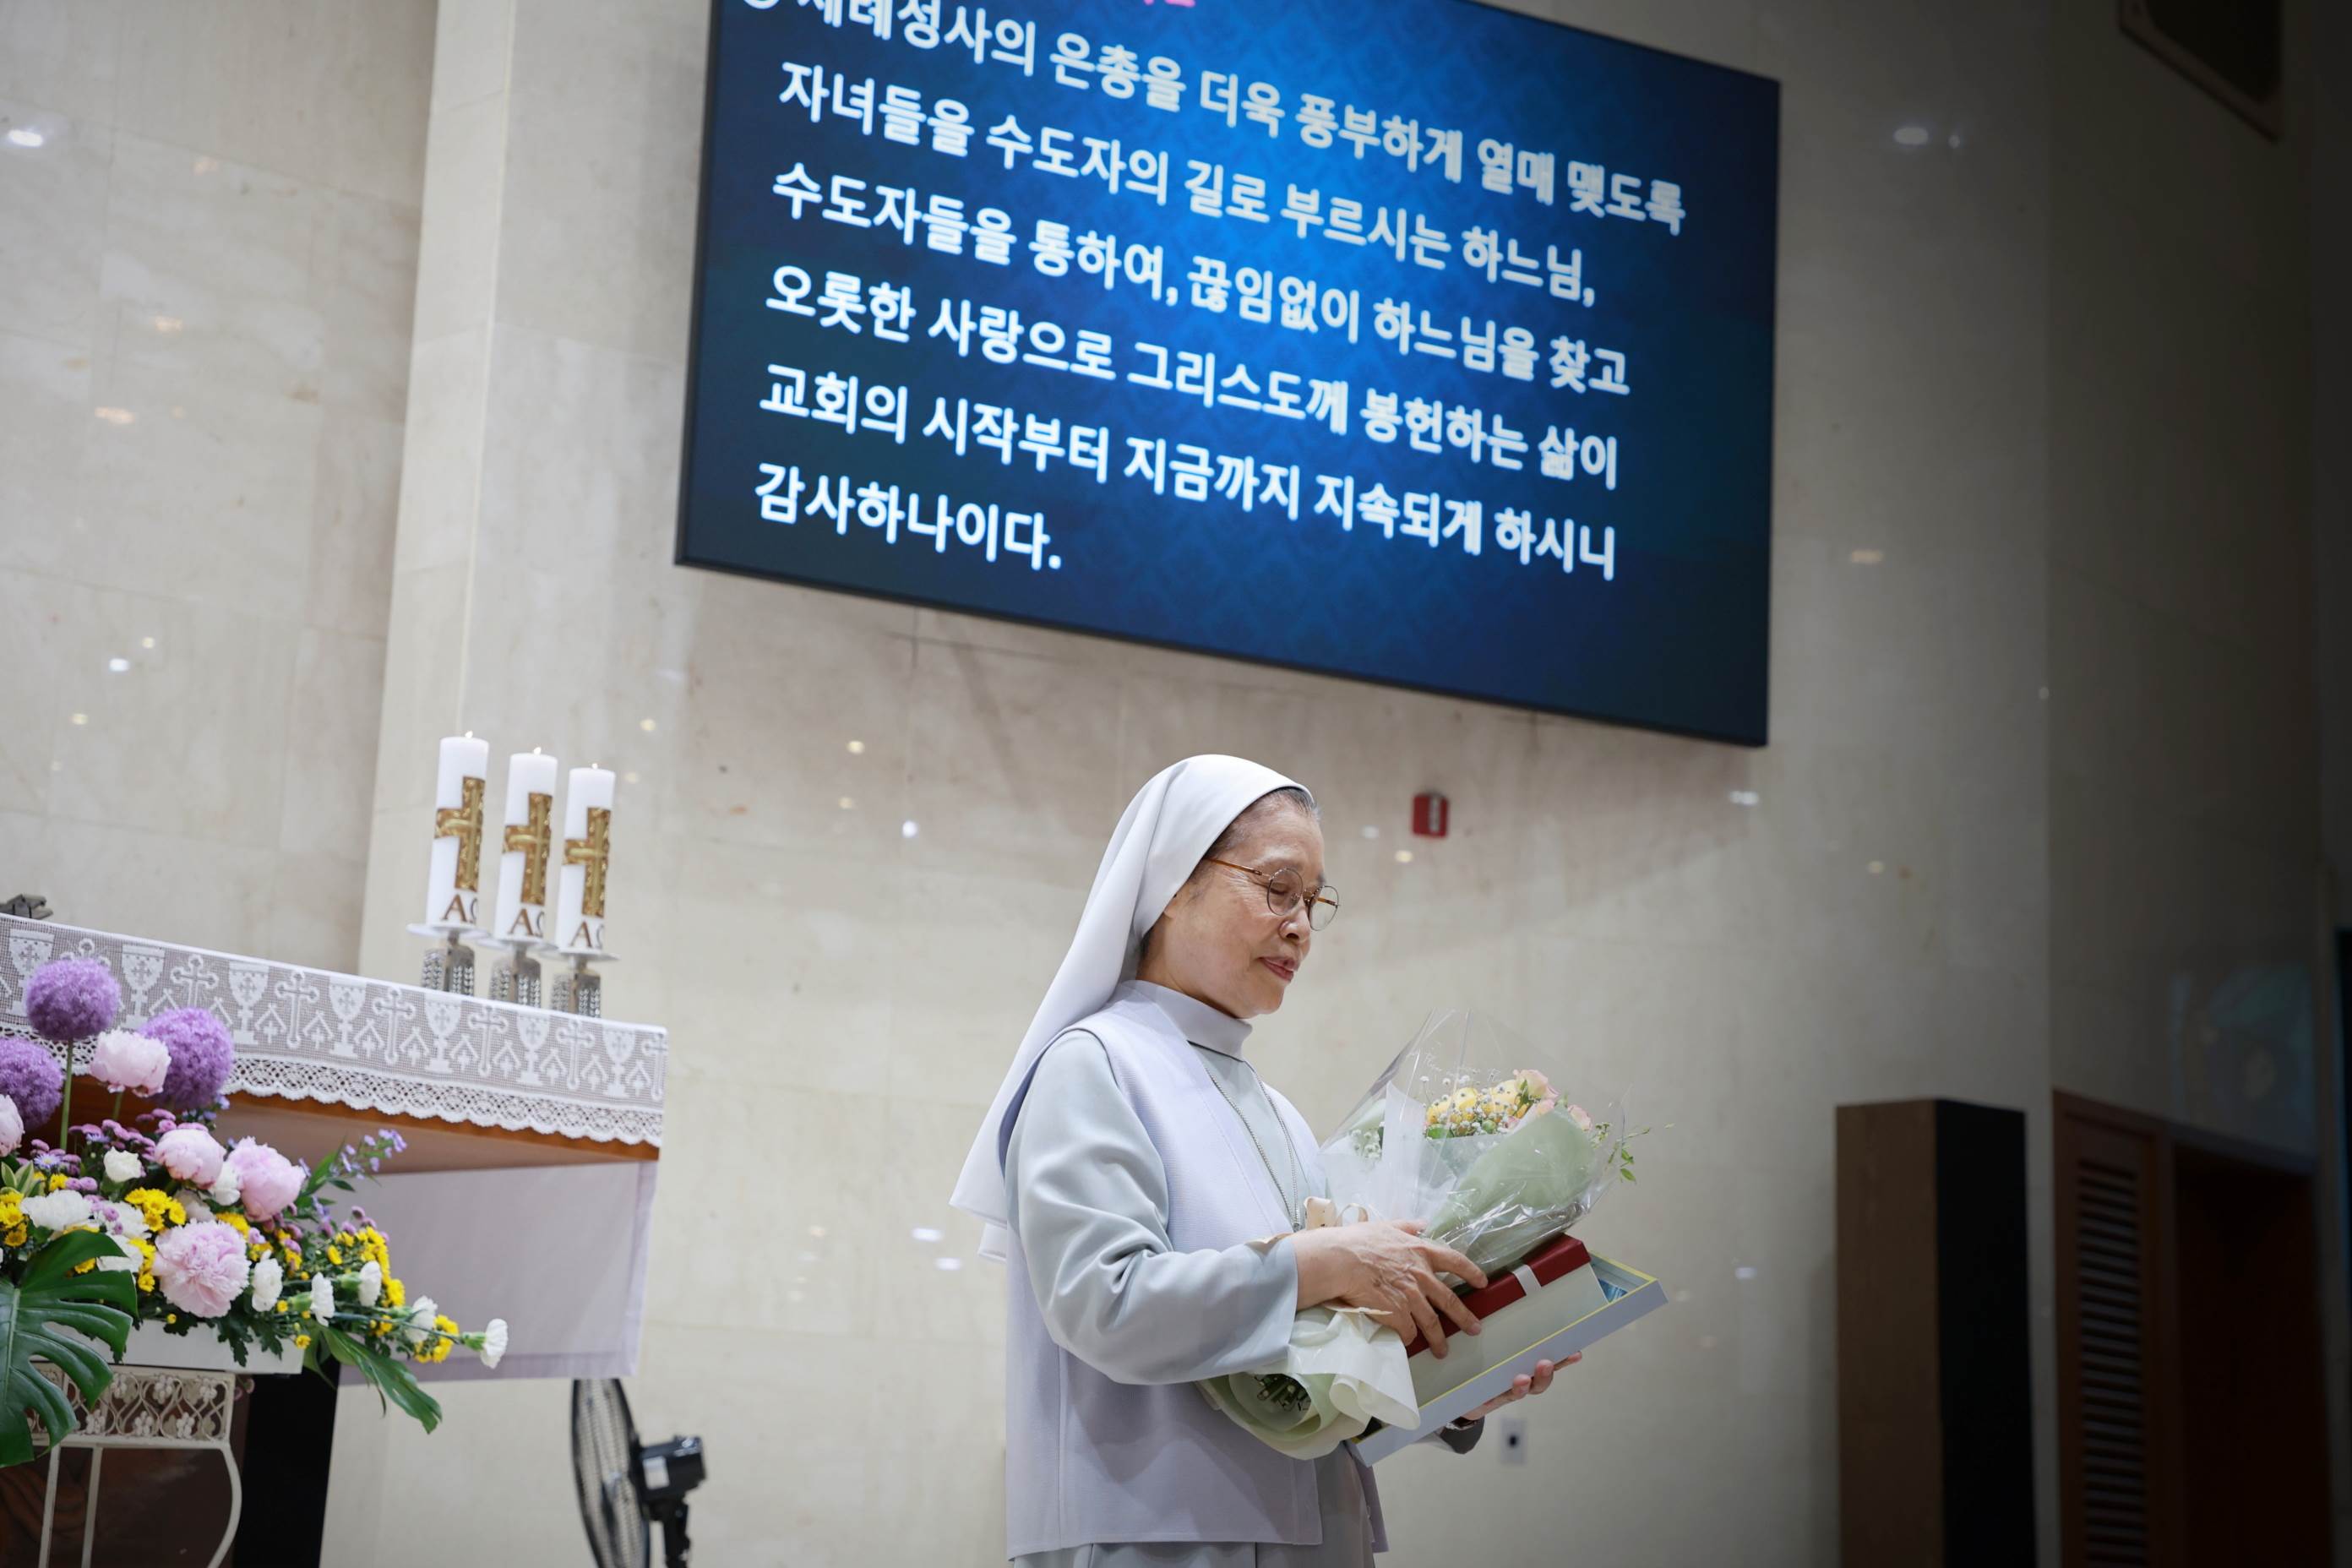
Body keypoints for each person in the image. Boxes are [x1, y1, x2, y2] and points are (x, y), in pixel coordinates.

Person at [950, 755, 1574, 1565]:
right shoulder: (1095, 1063)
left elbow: (1316, 1351)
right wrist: (1324, 1263)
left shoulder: (1279, 1114)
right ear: (1174, 883)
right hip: (1158, 1538)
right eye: (1278, 889)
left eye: (1313, 901)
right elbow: (1103, 1303)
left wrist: (1459, 1381)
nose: (1301, 926)